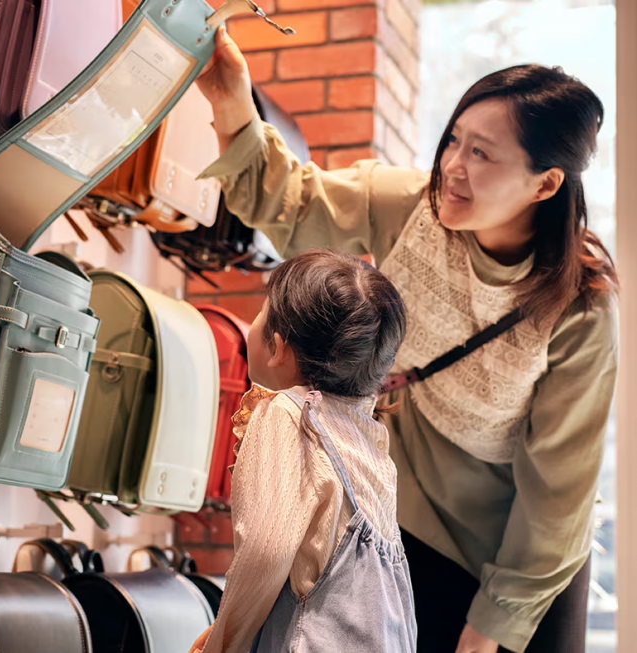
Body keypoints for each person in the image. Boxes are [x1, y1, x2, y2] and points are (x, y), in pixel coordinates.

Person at [195, 26, 619, 653]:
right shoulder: (409, 207)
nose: (453, 166)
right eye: (454, 140)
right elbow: (285, 199)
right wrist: (230, 97)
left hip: (525, 557)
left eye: (483, 154)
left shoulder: (579, 306)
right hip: (409, 513)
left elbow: (558, 491)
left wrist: (487, 630)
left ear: (546, 183)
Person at [192, 248, 415, 653]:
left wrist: (223, 646)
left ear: (277, 345)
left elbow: (265, 551)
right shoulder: (369, 439)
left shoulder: (287, 414)